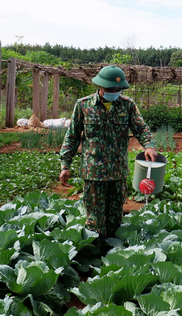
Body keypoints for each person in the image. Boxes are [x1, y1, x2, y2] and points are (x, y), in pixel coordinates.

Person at [59, 65, 158, 242]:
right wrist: (65, 165)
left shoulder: (127, 105)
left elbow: (141, 128)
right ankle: (94, 256)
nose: (115, 91)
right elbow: (72, 137)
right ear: (101, 86)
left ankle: (114, 257)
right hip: (94, 174)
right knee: (94, 223)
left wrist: (149, 145)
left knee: (115, 221)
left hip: (117, 174)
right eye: (111, 88)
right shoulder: (84, 105)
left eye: (118, 88)